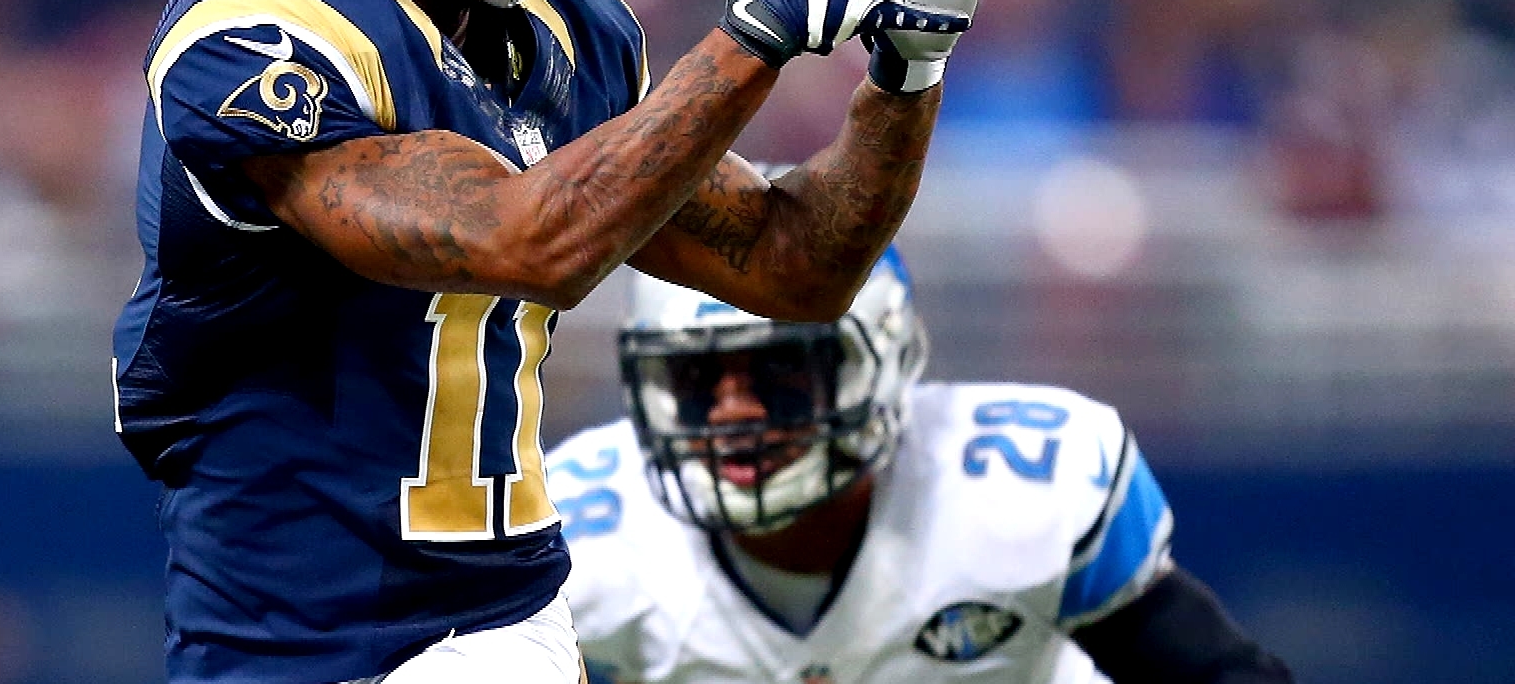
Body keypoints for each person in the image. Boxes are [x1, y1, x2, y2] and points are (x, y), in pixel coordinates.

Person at [110, 0, 1028, 684]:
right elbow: (524, 240)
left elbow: (797, 268)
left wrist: (906, 76)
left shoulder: (563, 29)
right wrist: (756, 36)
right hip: (286, 644)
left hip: (504, 623)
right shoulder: (259, 38)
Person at [550, 251, 1295, 684]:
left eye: (781, 371)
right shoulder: (580, 542)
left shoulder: (1016, 489)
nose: (732, 411)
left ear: (880, 360)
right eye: (696, 379)